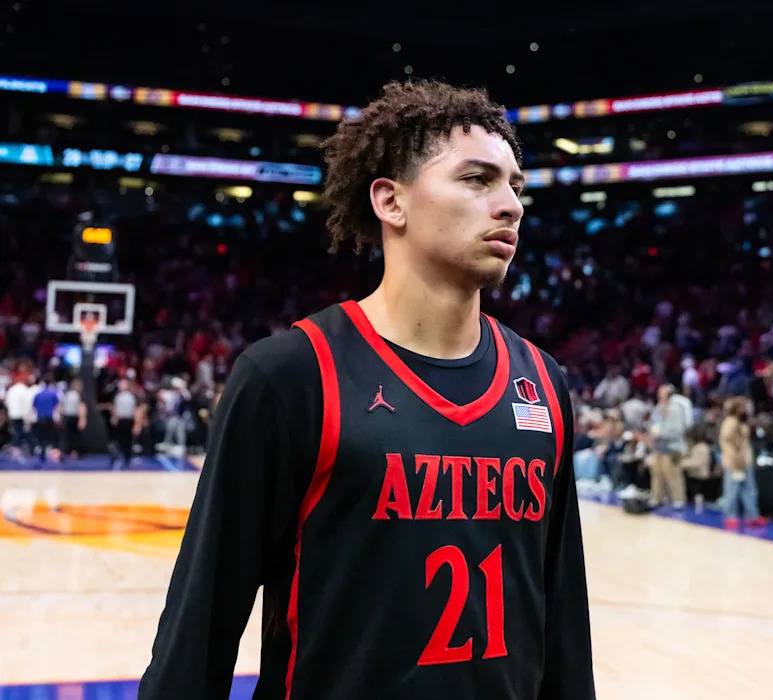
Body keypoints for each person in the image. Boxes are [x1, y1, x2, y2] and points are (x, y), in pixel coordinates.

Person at [140, 80, 595, 700]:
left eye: (515, 186)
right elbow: (199, 632)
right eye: (477, 179)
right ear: (391, 201)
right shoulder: (290, 375)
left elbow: (564, 625)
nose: (510, 204)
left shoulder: (542, 382)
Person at [719, 396, 766, 529]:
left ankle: (752, 515)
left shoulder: (743, 422)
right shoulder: (730, 422)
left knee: (749, 489)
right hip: (733, 461)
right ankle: (730, 516)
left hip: (746, 461)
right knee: (732, 490)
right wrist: (735, 458)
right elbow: (729, 442)